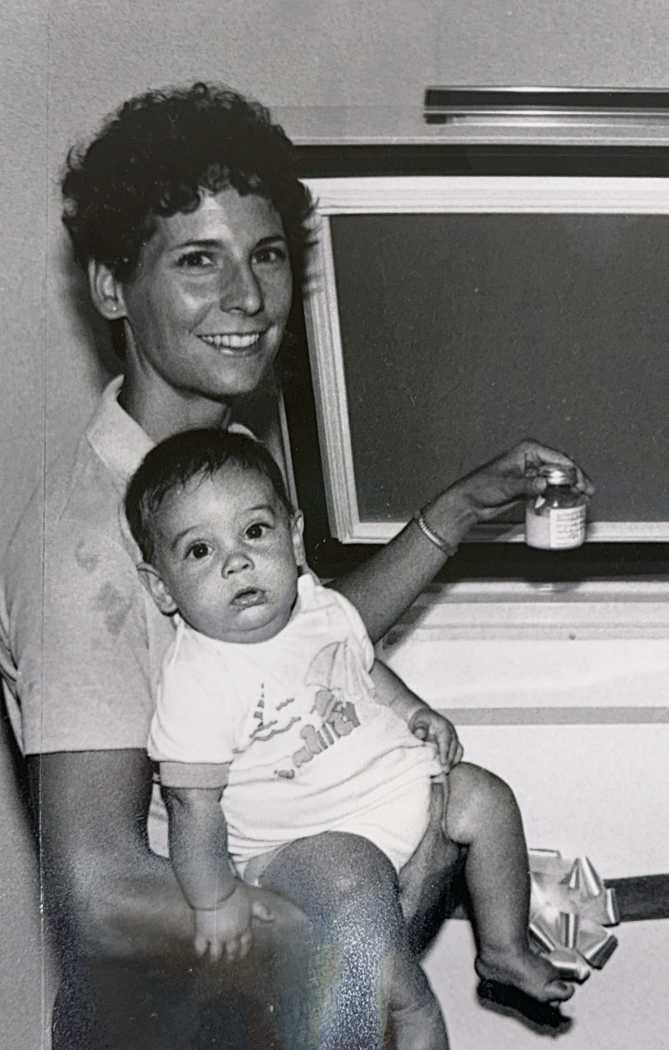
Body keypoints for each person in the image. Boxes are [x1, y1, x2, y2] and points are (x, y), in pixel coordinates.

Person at [0, 82, 591, 1049]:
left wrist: (450, 516)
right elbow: (100, 889)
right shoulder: (85, 554)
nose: (247, 298)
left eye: (266, 255)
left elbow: (296, 637)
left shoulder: (218, 460)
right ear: (112, 286)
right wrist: (346, 929)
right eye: (199, 261)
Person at [127, 429, 574, 1049]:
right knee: (353, 886)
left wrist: (415, 711)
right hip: (303, 846)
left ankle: (503, 946)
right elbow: (190, 806)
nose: (236, 560)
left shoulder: (318, 609)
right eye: (199, 551)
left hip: (393, 791)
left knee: (487, 797)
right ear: (161, 587)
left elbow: (358, 665)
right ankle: (408, 1002)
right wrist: (213, 900)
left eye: (254, 532)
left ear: (294, 536)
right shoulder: (199, 679)